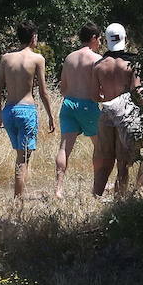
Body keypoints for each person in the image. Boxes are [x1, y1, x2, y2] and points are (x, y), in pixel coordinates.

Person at [0, 22, 56, 201]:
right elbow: (43, 92)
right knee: (23, 159)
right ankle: (18, 201)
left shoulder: (6, 58)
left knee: (20, 155)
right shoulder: (37, 59)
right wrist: (51, 116)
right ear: (33, 37)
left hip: (9, 111)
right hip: (26, 110)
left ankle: (20, 195)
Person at [91, 23, 143, 198]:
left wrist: (109, 99)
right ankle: (120, 199)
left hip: (106, 115)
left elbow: (95, 96)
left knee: (105, 160)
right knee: (123, 163)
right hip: (125, 117)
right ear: (124, 38)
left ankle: (96, 195)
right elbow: (136, 90)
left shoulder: (99, 66)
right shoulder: (131, 64)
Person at [53, 23, 104, 199]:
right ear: (93, 38)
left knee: (64, 148)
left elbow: (62, 87)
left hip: (68, 104)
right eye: (99, 38)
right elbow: (100, 89)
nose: (100, 42)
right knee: (99, 147)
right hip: (87, 105)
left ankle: (58, 188)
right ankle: (97, 186)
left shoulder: (69, 58)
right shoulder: (96, 59)